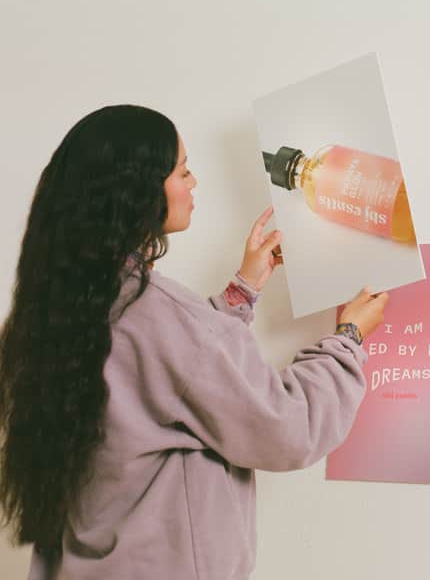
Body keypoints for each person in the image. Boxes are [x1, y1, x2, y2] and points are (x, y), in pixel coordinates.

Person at [0, 105, 388, 579]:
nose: (194, 183)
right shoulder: (156, 314)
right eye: (182, 170)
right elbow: (290, 426)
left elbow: (158, 376)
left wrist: (239, 293)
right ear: (139, 189)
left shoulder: (51, 314)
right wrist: (347, 339)